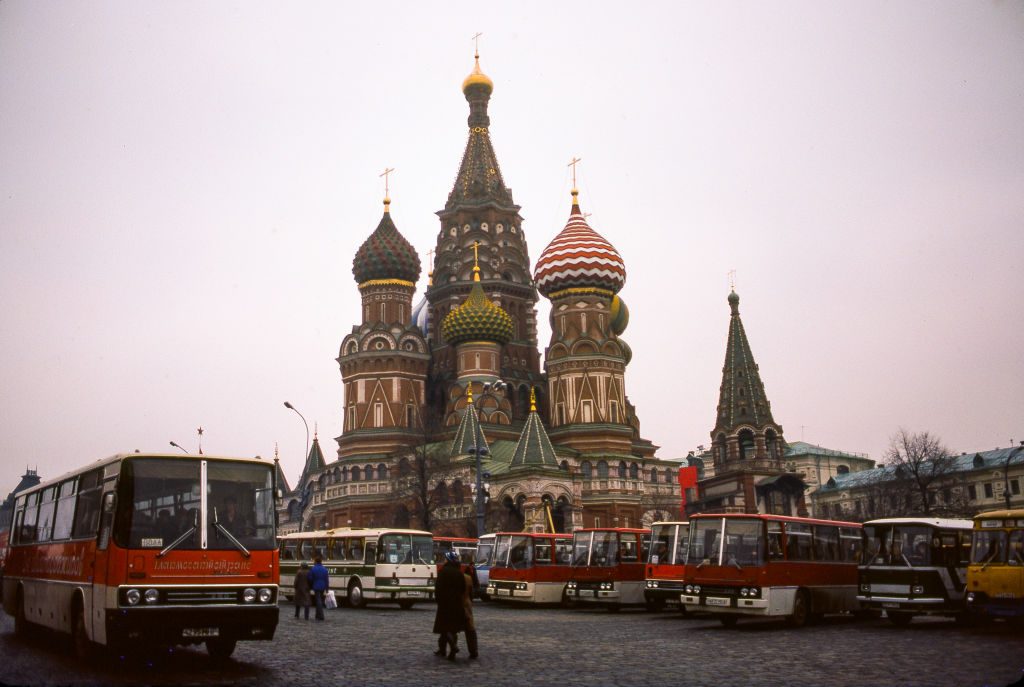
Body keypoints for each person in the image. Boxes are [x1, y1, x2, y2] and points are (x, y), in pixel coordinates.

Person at [433, 550, 466, 660]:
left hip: (445, 604)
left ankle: (453, 646)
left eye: (445, 559)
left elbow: (438, 588)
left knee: (445, 628)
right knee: (453, 629)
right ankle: (447, 651)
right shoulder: (459, 572)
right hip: (457, 604)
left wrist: (438, 600)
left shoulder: (443, 571)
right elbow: (463, 588)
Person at [461, 563, 479, 659]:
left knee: (451, 628)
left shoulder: (456, 577)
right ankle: (473, 650)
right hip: (466, 605)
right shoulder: (468, 578)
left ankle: (452, 647)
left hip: (455, 604)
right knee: (470, 629)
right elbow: (471, 593)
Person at [308, 555, 330, 621]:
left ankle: (321, 616)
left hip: (316, 586)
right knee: (320, 600)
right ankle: (317, 615)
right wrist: (327, 588)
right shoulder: (325, 569)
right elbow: (327, 580)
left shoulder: (313, 569)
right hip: (323, 586)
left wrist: (311, 585)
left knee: (318, 601)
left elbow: (310, 578)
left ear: (315, 561)